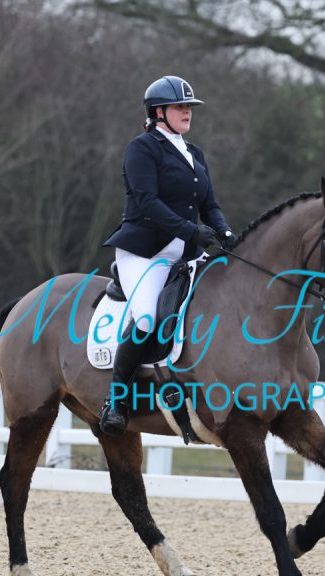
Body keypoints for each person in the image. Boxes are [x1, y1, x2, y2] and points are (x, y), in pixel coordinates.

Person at [99, 75, 237, 436]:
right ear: (158, 112)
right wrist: (191, 230)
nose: (187, 112)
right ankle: (116, 400)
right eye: (180, 107)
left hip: (186, 254)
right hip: (145, 252)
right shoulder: (142, 148)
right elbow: (148, 202)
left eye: (189, 107)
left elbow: (209, 204)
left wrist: (224, 231)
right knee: (146, 319)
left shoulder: (194, 153)